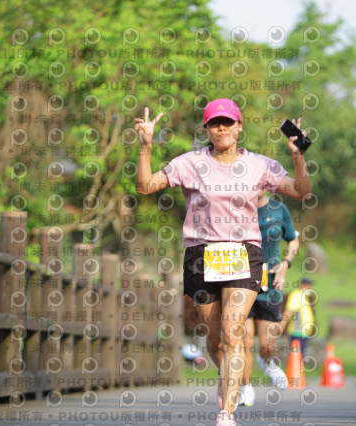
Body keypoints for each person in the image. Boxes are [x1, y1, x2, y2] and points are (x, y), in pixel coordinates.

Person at [135, 99, 311, 426]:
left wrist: (298, 155)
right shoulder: (190, 162)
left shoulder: (259, 165)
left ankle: (226, 413)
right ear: (207, 129)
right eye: (215, 123)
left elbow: (301, 191)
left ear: (239, 127)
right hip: (200, 256)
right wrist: (146, 146)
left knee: (233, 334)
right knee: (216, 339)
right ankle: (230, 379)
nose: (222, 128)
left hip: (244, 254)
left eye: (228, 122)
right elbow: (145, 186)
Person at [238, 190, 299, 406]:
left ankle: (267, 361)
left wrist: (286, 265)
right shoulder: (237, 208)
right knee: (244, 341)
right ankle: (245, 388)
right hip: (242, 283)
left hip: (270, 286)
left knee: (267, 345)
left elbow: (293, 240)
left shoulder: (279, 209)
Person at [280, 277, 318, 359]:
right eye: (308, 285)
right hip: (297, 331)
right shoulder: (297, 295)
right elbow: (289, 310)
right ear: (303, 285)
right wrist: (282, 325)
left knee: (300, 355)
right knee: (297, 355)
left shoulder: (304, 296)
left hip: (303, 332)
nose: (310, 287)